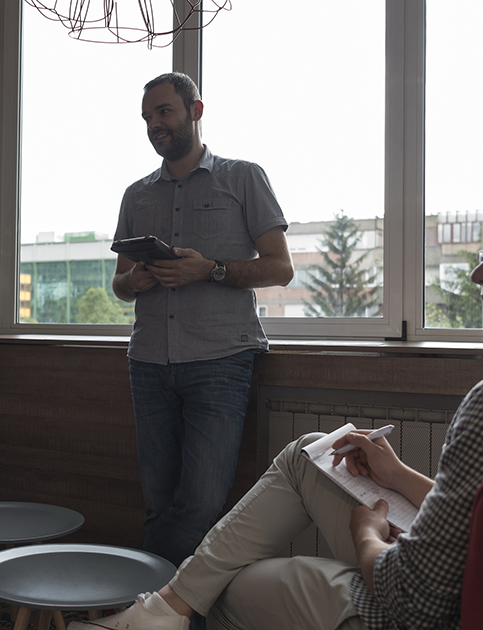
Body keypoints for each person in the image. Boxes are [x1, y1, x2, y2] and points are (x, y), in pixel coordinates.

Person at [73, 170, 483, 630]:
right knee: (311, 452)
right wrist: (396, 475)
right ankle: (163, 611)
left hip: (434, 614)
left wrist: (368, 532)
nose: (479, 275)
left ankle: (163, 612)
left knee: (231, 586)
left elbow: (409, 601)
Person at [111, 72, 295, 568]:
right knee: (159, 505)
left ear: (195, 111)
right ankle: (161, 616)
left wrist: (208, 269)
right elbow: (119, 284)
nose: (155, 125)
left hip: (220, 362)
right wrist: (138, 281)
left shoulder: (244, 177)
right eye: (148, 117)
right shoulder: (136, 195)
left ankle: (145, 609)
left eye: (164, 111)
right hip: (147, 363)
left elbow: (281, 268)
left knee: (200, 506)